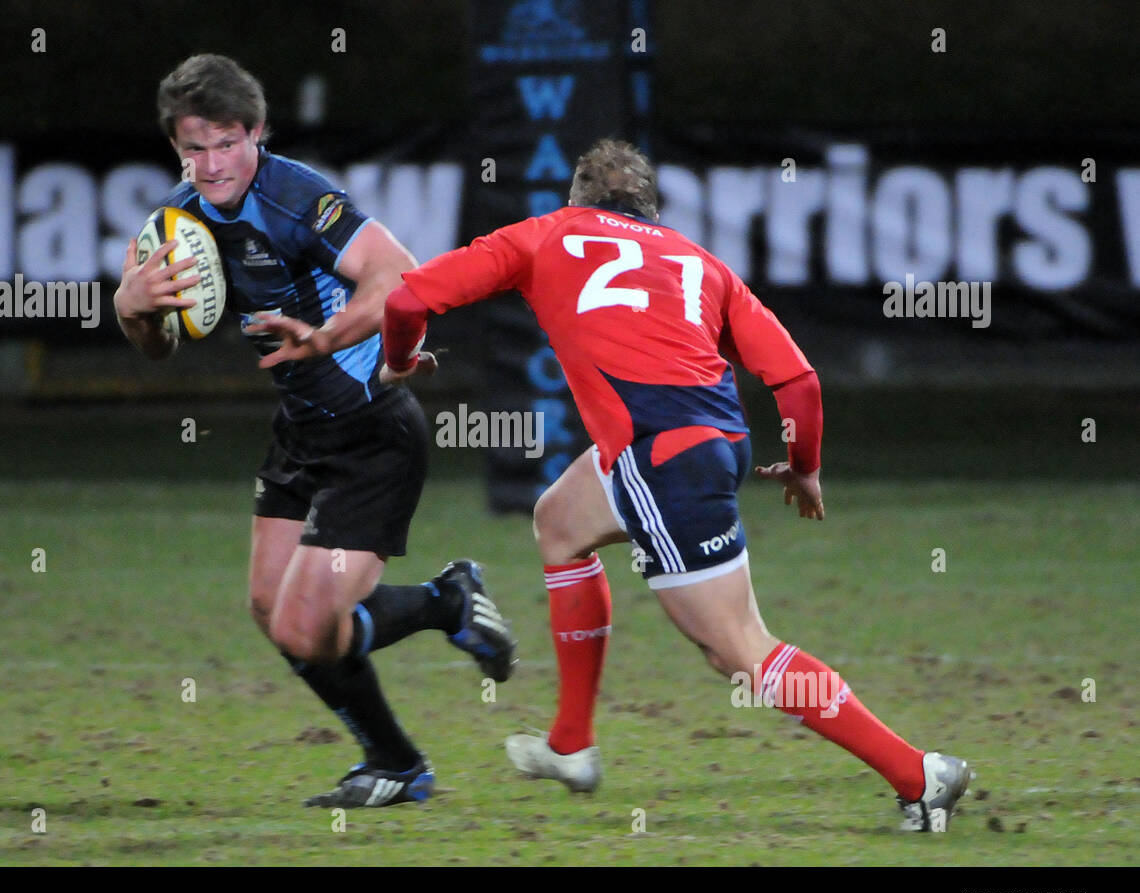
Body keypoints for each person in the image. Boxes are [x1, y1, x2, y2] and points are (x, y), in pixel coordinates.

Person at [380, 139, 971, 831]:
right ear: (650, 209)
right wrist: (805, 467)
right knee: (561, 523)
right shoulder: (699, 262)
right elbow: (798, 380)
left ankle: (918, 774)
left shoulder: (544, 235)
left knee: (738, 649)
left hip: (660, 459)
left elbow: (407, 297)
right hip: (712, 442)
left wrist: (402, 362)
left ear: (575, 199)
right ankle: (572, 744)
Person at [112, 54, 515, 809]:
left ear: (256, 131)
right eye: (193, 147)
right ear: (175, 147)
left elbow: (401, 277)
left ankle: (445, 602)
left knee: (305, 626)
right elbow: (160, 345)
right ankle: (397, 765)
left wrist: (328, 337)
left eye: (225, 142)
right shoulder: (175, 221)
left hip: (371, 433)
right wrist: (132, 307)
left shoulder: (297, 197)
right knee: (271, 612)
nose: (211, 163)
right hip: (300, 429)